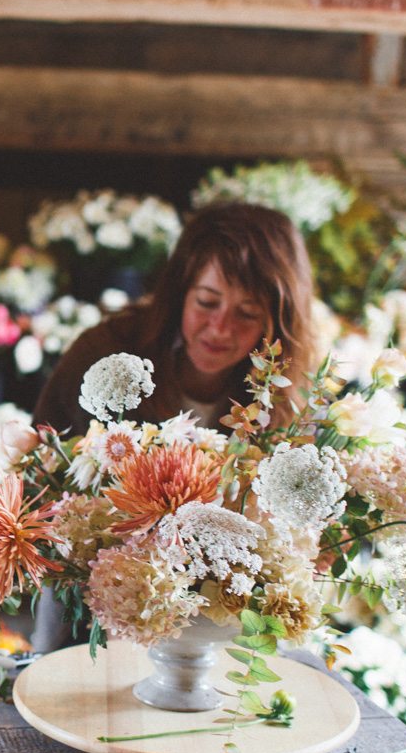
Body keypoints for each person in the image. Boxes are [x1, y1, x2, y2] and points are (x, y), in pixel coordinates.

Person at [28, 201, 318, 649]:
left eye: (247, 313)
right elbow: (38, 471)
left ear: (277, 322)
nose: (219, 328)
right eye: (207, 302)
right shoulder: (106, 356)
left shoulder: (287, 396)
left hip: (218, 621)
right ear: (179, 290)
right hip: (91, 602)